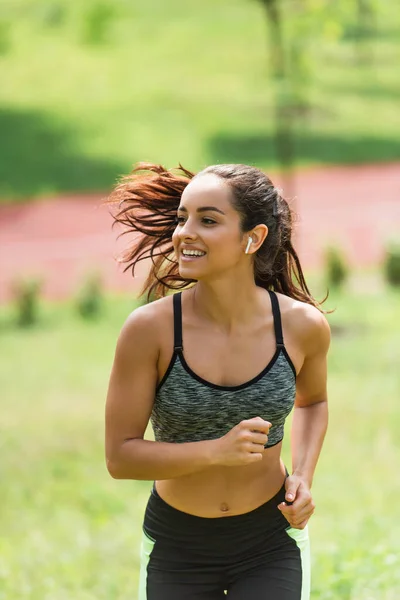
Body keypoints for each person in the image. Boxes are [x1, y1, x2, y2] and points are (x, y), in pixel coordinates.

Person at [105, 162, 330, 600]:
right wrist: (216, 452)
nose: (185, 232)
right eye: (182, 218)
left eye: (207, 220)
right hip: (177, 545)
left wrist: (302, 476)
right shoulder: (150, 330)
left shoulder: (301, 326)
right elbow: (120, 457)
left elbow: (314, 402)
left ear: (254, 237)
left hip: (270, 538)